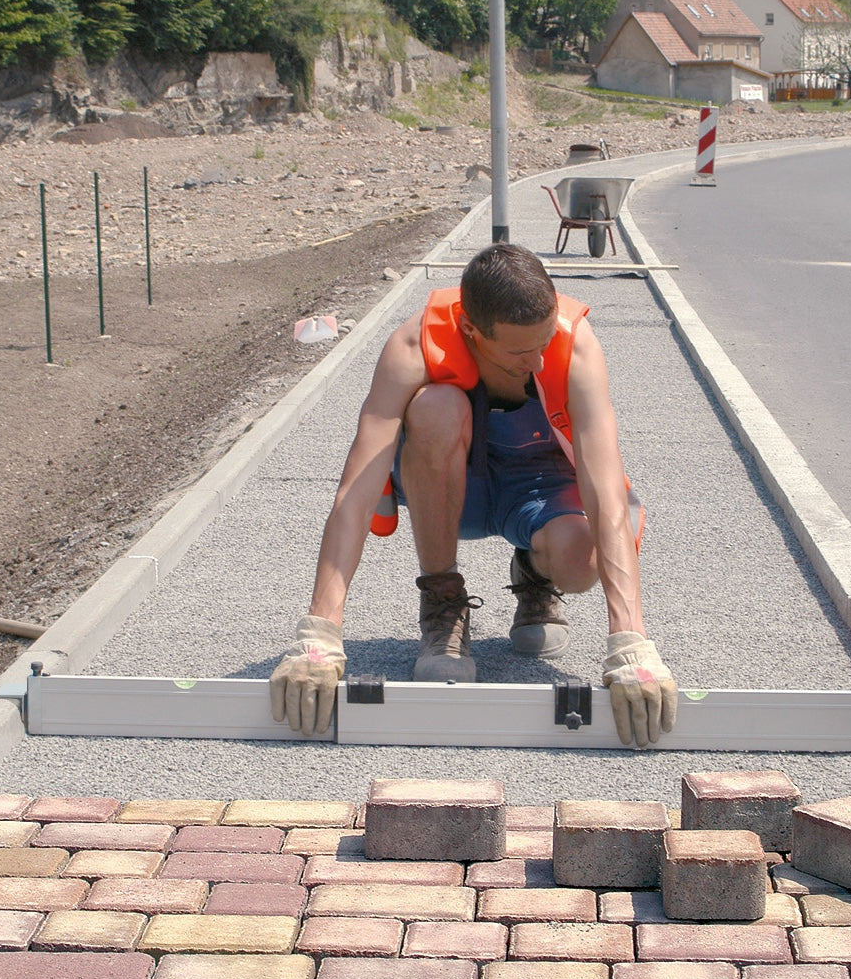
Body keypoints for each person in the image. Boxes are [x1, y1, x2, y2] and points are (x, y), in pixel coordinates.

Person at [269, 242, 677, 748]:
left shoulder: (576, 345)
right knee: (436, 407)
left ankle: (535, 573)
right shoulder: (413, 347)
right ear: (469, 331)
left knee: (581, 560)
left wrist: (630, 640)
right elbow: (355, 492)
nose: (539, 359)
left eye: (545, 340)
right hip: (453, 485)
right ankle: (444, 600)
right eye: (518, 352)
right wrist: (320, 634)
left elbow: (605, 493)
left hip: (539, 483)